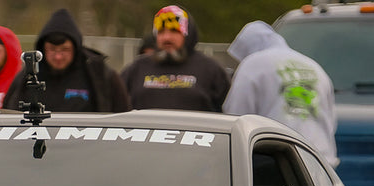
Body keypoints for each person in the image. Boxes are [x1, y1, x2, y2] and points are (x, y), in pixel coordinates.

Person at [224, 21, 338, 165]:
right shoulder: (314, 67)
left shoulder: (252, 64)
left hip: (277, 160)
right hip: (321, 161)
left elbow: (236, 116)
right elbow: (331, 120)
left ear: (247, 48)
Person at [3, 9, 129, 113]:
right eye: (52, 49)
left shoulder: (100, 75)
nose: (58, 56)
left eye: (65, 50)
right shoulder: (28, 76)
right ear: (42, 49)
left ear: (76, 49)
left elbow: (123, 115)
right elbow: (8, 113)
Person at [120, 5, 230, 112]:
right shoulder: (136, 69)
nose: (167, 37)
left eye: (174, 31)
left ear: (188, 35)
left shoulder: (211, 70)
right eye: (161, 32)